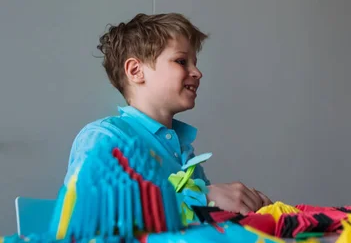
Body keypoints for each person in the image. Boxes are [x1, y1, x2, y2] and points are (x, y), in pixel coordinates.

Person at [65, 13, 271, 214]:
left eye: (195, 62)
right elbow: (87, 210)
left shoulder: (184, 153)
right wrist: (204, 197)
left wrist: (241, 210)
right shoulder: (105, 137)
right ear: (136, 71)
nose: (197, 73)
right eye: (182, 61)